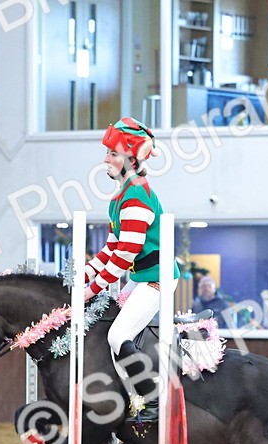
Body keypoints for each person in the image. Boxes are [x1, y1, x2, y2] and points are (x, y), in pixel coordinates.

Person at [82, 117, 179, 425]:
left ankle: (150, 399)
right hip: (142, 279)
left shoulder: (136, 196)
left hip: (157, 280)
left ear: (131, 159)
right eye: (107, 152)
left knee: (118, 334)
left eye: (113, 153)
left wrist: (92, 288)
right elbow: (111, 248)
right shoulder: (120, 196)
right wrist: (84, 275)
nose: (106, 159)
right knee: (110, 328)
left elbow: (126, 254)